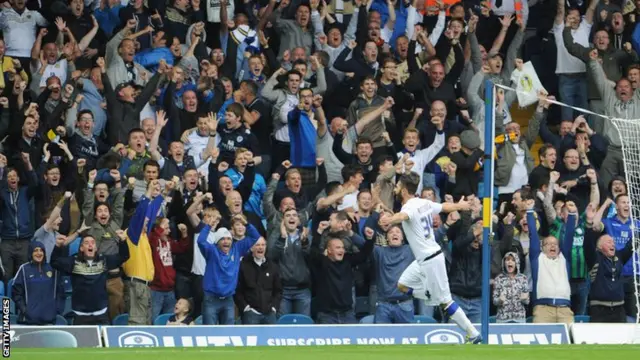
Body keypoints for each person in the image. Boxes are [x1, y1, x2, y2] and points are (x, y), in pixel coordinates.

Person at [379, 172, 482, 343]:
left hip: (431, 260)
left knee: (446, 303)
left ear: (404, 190)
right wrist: (459, 205)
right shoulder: (424, 203)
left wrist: (390, 219)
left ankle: (473, 334)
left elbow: (403, 216)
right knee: (402, 285)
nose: (395, 188)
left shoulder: (409, 208)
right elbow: (444, 207)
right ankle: (428, 294)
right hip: (422, 260)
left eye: (397, 186)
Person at [50, 231, 130, 325]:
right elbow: (54, 262)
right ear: (81, 248)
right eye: (86, 243)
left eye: (92, 243)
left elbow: (124, 256)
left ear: (95, 248)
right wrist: (57, 246)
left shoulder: (103, 260)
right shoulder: (73, 262)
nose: (90, 245)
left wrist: (123, 241)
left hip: (101, 314)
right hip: (80, 315)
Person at [12, 241, 65, 325]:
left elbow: (60, 292)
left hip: (50, 321)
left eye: (41, 250)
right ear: (31, 253)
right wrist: (24, 310)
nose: (39, 253)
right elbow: (16, 293)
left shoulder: (53, 268)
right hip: (28, 321)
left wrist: (56, 310)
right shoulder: (24, 269)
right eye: (35, 250)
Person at [234, 238, 282, 324]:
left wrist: (274, 307)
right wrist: (245, 308)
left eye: (263, 245)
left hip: (269, 314)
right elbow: (237, 290)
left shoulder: (273, 266)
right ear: (252, 248)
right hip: (251, 314)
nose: (260, 247)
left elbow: (278, 290)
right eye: (257, 245)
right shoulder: (243, 266)